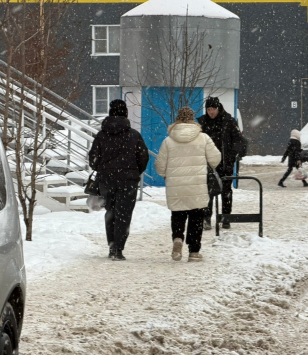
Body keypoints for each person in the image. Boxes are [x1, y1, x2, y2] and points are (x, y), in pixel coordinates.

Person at [155, 106, 221, 262]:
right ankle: (194, 251)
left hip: (176, 185)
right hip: (197, 185)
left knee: (178, 214)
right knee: (196, 217)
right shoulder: (203, 138)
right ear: (193, 120)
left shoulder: (168, 141)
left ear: (177, 120)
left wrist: (167, 175)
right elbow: (215, 159)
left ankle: (178, 239)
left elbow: (159, 166)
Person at [88, 99, 149, 261]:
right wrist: (134, 171)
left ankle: (112, 245)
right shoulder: (134, 135)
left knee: (111, 212)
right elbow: (143, 157)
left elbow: (93, 159)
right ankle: (118, 248)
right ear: (125, 114)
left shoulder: (101, 135)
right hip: (128, 180)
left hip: (106, 180)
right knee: (124, 214)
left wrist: (103, 168)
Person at [197, 96, 244, 230]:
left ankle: (226, 218)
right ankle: (206, 218)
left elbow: (239, 141)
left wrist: (231, 156)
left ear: (218, 108)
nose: (211, 112)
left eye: (213, 109)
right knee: (207, 191)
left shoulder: (228, 121)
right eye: (209, 109)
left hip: (225, 162)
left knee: (226, 191)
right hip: (207, 163)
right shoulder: (202, 123)